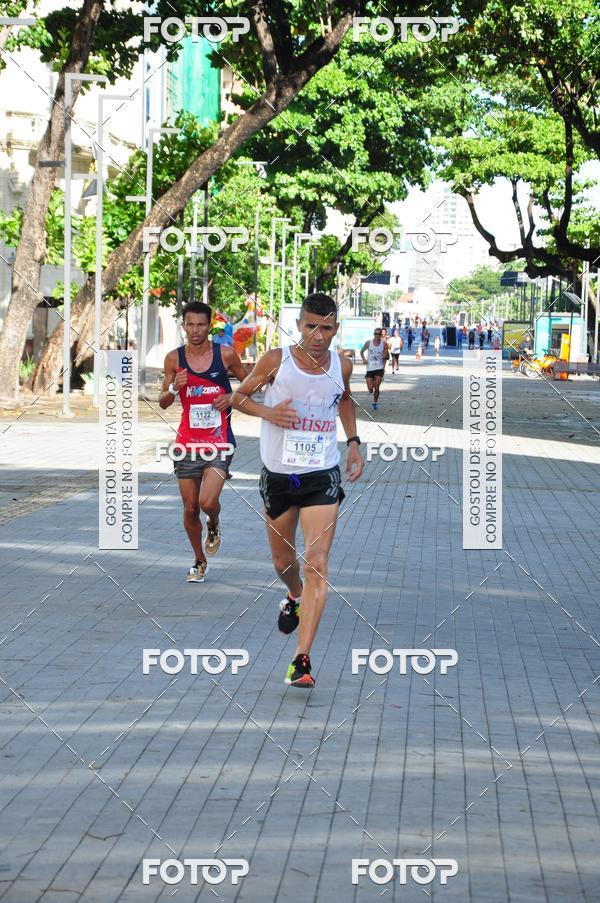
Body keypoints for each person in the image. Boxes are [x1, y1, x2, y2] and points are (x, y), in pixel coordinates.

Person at [231, 292, 364, 688]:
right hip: (279, 475)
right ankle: (292, 595)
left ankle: (301, 660)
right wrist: (268, 412)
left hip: (322, 474)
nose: (318, 335)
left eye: (326, 328)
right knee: (283, 564)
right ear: (299, 325)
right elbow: (237, 397)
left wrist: (353, 443)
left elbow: (345, 401)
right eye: (311, 327)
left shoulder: (342, 364)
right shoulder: (277, 361)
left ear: (335, 329)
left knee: (317, 562)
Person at [160, 300, 246, 582]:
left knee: (208, 502)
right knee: (189, 507)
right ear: (183, 326)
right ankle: (199, 560)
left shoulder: (227, 355)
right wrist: (174, 387)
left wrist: (232, 398)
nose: (195, 330)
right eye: (190, 324)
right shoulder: (174, 359)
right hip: (187, 442)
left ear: (210, 326)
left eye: (201, 324)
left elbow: (249, 387)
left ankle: (214, 522)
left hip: (219, 440)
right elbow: (162, 402)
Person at [361, 327, 388, 410]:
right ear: (374, 334)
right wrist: (364, 359)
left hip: (379, 368)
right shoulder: (368, 343)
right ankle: (371, 385)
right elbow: (361, 351)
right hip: (370, 368)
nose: (377, 335)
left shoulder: (384, 344)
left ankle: (375, 403)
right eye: (376, 334)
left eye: (379, 334)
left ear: (381, 335)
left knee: (377, 387)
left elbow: (386, 355)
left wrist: (385, 355)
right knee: (370, 389)